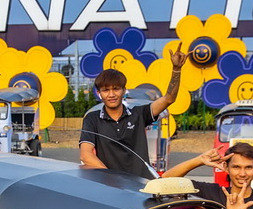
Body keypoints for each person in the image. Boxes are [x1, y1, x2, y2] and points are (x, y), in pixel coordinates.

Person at [79, 45, 187, 177]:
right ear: (99, 93)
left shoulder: (139, 114)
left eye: (116, 89)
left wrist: (176, 70)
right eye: (106, 90)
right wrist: (112, 178)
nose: (111, 94)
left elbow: (169, 98)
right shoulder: (92, 118)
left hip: (142, 184)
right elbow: (86, 155)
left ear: (124, 90)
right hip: (110, 185)